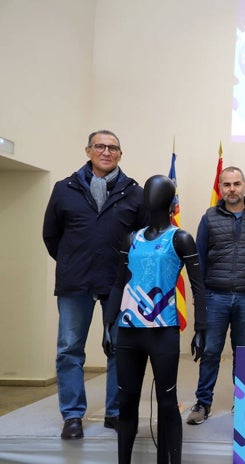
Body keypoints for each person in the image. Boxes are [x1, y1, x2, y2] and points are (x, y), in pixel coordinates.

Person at [103, 175, 206, 464]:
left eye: (156, 190)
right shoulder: (130, 238)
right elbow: (119, 282)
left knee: (167, 405)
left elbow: (198, 287)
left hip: (162, 332)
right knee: (126, 406)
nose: (150, 194)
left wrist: (201, 329)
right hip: (129, 331)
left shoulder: (180, 238)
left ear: (168, 198)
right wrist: (107, 324)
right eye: (148, 189)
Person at [42, 130, 147, 440]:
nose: (106, 152)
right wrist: (72, 260)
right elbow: (52, 236)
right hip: (76, 282)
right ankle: (73, 416)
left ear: (120, 154)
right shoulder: (65, 189)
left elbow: (142, 239)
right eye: (100, 146)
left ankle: (115, 413)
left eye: (113, 147)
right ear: (88, 150)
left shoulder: (134, 193)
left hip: (120, 283)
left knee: (121, 349)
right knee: (70, 350)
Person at [186, 166, 245, 425]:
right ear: (221, 188)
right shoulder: (209, 217)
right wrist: (202, 299)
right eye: (227, 185)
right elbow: (198, 260)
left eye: (236, 184)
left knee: (243, 353)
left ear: (244, 186)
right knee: (210, 352)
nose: (232, 189)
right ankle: (202, 403)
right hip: (215, 297)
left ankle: (242, 403)